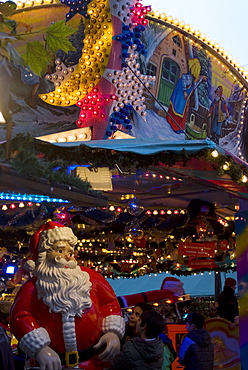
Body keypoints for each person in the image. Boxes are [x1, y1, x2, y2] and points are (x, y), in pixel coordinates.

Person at [9, 221, 125, 370]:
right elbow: (20, 316)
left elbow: (109, 303)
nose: (67, 257)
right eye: (60, 251)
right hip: (51, 365)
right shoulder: (33, 287)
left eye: (70, 252)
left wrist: (112, 332)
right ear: (44, 254)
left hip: (93, 361)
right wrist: (40, 348)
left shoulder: (91, 278)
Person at [167, 58, 207, 133]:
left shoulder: (192, 78)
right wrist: (185, 91)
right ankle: (175, 126)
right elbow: (184, 83)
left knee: (182, 110)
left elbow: (195, 85)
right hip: (180, 95)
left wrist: (201, 78)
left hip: (184, 98)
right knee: (178, 108)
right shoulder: (187, 77)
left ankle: (179, 127)